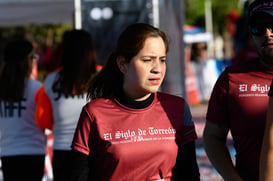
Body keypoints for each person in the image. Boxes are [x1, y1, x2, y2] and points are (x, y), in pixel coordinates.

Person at [70, 23, 200, 181]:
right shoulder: (94, 113)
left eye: (162, 59)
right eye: (147, 60)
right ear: (123, 64)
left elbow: (190, 173)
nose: (157, 68)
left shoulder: (177, 108)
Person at [202, 0, 273, 180]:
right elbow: (212, 137)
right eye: (258, 27)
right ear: (250, 33)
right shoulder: (232, 78)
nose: (267, 33)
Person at [35, 29, 98, 181]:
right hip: (94, 151)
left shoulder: (51, 80)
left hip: (62, 152)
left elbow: (43, 120)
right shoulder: (102, 77)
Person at [0, 38, 47, 181]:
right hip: (34, 152)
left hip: (8, 152)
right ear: (28, 60)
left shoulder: (1, 89)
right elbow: (45, 121)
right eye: (34, 57)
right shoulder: (38, 88)